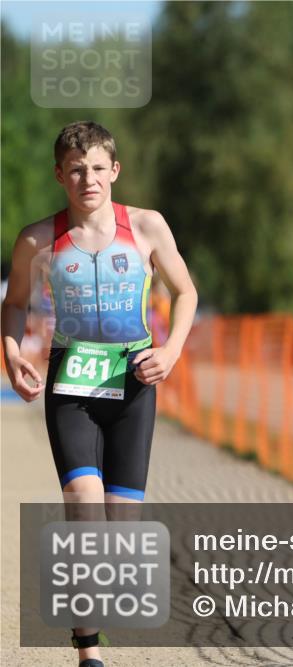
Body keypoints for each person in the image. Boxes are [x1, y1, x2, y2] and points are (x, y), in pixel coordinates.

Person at [1, 121, 198, 667]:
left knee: (120, 526)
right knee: (83, 509)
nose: (87, 178)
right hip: (72, 379)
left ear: (115, 170)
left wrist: (172, 351)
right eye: (75, 169)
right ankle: (88, 652)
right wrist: (13, 354)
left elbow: (185, 291)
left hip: (133, 378)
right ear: (59, 175)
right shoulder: (38, 238)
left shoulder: (146, 226)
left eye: (96, 167)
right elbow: (13, 303)